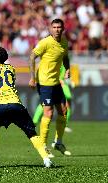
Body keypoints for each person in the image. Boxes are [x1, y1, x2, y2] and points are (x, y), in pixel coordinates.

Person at [28, 18, 71, 157]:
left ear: (63, 28)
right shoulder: (45, 42)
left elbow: (65, 56)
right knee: (48, 113)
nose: (57, 29)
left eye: (59, 27)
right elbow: (32, 57)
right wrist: (32, 77)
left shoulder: (64, 42)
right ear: (50, 29)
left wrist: (68, 68)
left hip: (56, 82)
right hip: (44, 82)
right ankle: (43, 146)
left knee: (63, 111)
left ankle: (58, 142)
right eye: (54, 27)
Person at [33, 64, 73, 133]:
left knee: (67, 102)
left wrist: (67, 76)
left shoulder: (63, 59)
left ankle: (65, 125)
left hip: (61, 83)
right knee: (45, 105)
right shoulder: (53, 59)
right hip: (52, 83)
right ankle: (34, 122)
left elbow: (65, 72)